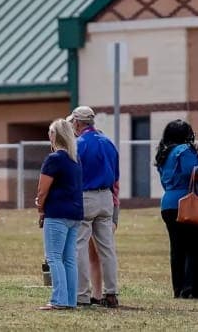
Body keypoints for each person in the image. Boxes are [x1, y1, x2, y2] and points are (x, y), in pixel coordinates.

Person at [156, 119, 198, 299]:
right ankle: (194, 289)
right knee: (197, 246)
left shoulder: (163, 153)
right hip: (188, 202)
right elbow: (191, 171)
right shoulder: (184, 150)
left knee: (178, 249)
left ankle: (179, 288)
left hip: (168, 202)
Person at [69, 106, 120, 308]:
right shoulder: (108, 143)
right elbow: (116, 176)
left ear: (78, 123)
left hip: (86, 196)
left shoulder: (78, 144)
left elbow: (73, 174)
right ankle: (111, 293)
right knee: (107, 248)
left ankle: (82, 294)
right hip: (106, 197)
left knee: (79, 246)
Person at [35, 118, 83, 310]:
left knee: (54, 257)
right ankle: (70, 300)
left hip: (57, 214)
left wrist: (40, 208)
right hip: (74, 214)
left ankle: (58, 300)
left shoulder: (54, 159)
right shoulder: (74, 160)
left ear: (54, 135)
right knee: (69, 259)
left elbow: (42, 190)